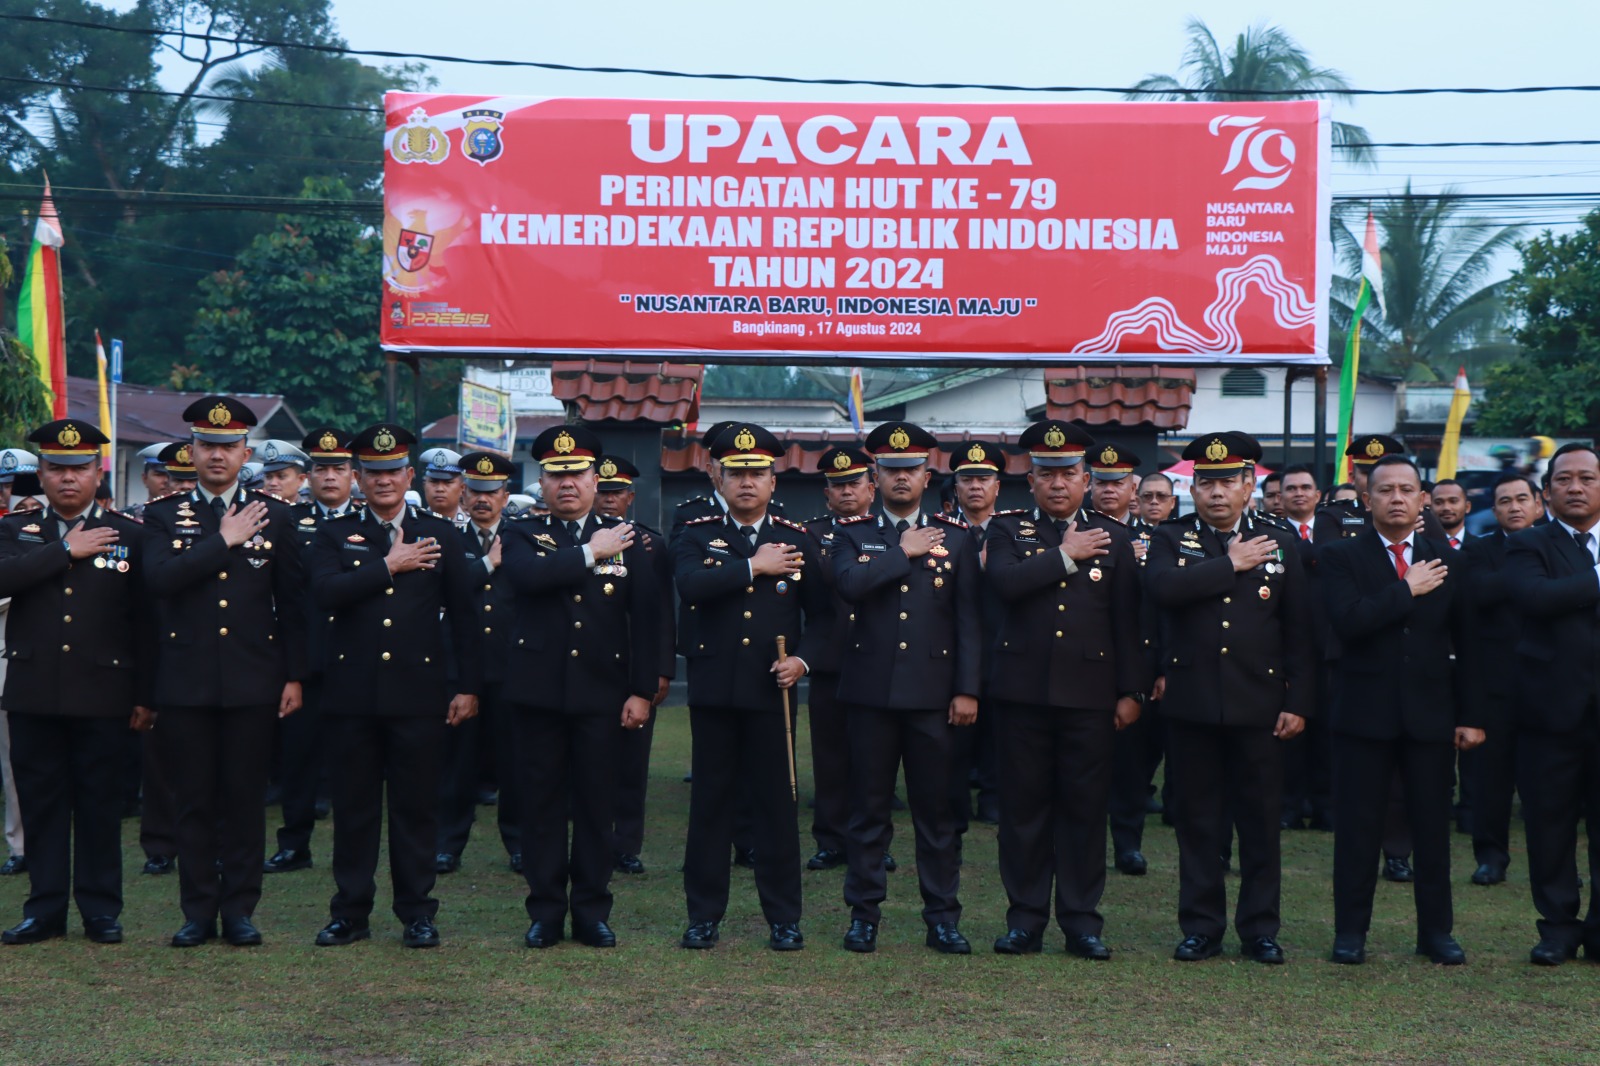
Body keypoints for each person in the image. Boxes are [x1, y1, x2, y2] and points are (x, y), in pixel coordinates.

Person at [141, 396, 307, 948]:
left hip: (253, 680)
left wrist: (294, 675)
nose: (217, 455)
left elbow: (296, 606)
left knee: (242, 799)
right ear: (191, 450)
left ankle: (239, 909)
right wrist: (223, 541)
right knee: (192, 800)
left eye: (228, 446)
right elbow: (160, 581)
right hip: (185, 680)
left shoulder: (276, 515)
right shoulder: (163, 514)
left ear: (245, 452)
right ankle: (197, 910)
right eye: (207, 445)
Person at [1144, 431, 1313, 964]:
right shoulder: (1172, 538)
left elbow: (1302, 630)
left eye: (1227, 483)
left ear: (1248, 486)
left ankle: (1260, 929)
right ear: (1192, 489)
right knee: (1198, 821)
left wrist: (1300, 700)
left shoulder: (1281, 538)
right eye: (1206, 482)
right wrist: (1230, 564)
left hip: (1260, 702)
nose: (1216, 493)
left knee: (1260, 821)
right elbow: (1161, 591)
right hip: (1192, 700)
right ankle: (1201, 927)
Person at [308, 425, 479, 950]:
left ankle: (417, 913)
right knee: (354, 810)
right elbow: (324, 594)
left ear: (409, 476)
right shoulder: (333, 534)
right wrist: (388, 565)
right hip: (352, 695)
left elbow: (468, 619)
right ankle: (350, 913)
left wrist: (468, 686)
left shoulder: (442, 534)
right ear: (358, 478)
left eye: (393, 472)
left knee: (415, 810)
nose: (383, 481)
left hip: (418, 694)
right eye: (373, 473)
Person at [985, 420, 1144, 959]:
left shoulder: (1116, 536)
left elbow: (1129, 623)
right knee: (1023, 812)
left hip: (1091, 697)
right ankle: (1025, 919)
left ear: (1085, 479)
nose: (1058, 484)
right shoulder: (1008, 532)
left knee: (1083, 811)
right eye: (1047, 474)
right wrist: (1065, 554)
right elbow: (1004, 585)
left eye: (1069, 474)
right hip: (1021, 694)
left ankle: (1082, 922)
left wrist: (1132, 692)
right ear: (1030, 482)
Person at [499, 425, 657, 950]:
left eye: (577, 474)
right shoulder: (522, 532)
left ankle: (591, 910)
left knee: (595, 806)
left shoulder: (628, 538)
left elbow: (646, 620)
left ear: (595, 479)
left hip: (602, 694)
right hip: (538, 693)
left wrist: (641, 690)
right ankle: (545, 911)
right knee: (541, 807)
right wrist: (591, 552)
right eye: (556, 476)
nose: (567, 484)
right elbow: (526, 578)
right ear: (541, 483)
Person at [1321, 454, 1482, 966]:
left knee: (1432, 828)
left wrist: (1472, 714)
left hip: (1430, 715)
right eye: (1384, 489)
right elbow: (1348, 622)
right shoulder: (1340, 557)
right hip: (1363, 714)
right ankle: (1351, 933)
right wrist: (1406, 589)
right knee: (1357, 829)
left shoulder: (1450, 560)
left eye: (1405, 490)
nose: (1395, 498)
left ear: (1422, 500)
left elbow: (1471, 643)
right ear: (1366, 500)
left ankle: (1436, 933)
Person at [673, 423, 827, 952]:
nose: (746, 482)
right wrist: (752, 565)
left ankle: (784, 918)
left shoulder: (798, 537)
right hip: (714, 689)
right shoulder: (693, 530)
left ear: (773, 479)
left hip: (772, 695)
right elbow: (690, 586)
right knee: (711, 807)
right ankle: (703, 916)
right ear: (719, 475)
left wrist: (804, 660)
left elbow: (828, 617)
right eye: (736, 472)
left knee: (776, 809)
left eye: (756, 473)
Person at [830, 421, 981, 955]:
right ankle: (864, 916)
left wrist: (967, 690)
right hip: (870, 696)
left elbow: (969, 622)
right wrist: (904, 551)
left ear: (926, 474)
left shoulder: (958, 537)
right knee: (868, 813)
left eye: (911, 469)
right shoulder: (851, 533)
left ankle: (942, 917)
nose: (901, 478)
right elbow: (849, 585)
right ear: (876, 474)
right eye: (891, 470)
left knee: (937, 816)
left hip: (934, 698)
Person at [0, 420, 149, 946]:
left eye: (79, 468)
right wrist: (65, 550)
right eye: (57, 468)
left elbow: (144, 622)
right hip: (34, 690)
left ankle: (101, 910)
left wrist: (145, 695)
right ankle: (44, 910)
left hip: (104, 693)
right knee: (41, 806)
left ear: (97, 473)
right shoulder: (15, 530)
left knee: (99, 807)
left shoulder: (130, 534)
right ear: (39, 473)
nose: (67, 478)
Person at [1505, 444, 1600, 966]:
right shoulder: (1529, 545)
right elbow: (1536, 599)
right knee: (1550, 826)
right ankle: (1558, 927)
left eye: (1587, 477)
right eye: (1564, 479)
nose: (1575, 487)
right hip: (1548, 713)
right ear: (1547, 491)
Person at [265, 428, 357, 875]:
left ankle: (353, 848)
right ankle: (294, 843)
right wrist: (290, 668)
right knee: (298, 758)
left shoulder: (367, 522)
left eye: (339, 468)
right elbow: (283, 599)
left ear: (353, 475)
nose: (330, 477)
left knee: (354, 761)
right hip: (304, 657)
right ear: (307, 476)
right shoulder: (288, 522)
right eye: (322, 468)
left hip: (357, 659)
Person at [435, 450, 523, 875]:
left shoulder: (525, 537)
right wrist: (488, 564)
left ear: (506, 495)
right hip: (460, 669)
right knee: (456, 765)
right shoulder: (445, 538)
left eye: (492, 492)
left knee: (515, 762)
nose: (483, 500)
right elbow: (442, 588)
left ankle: (520, 844)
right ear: (463, 495)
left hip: (512, 668)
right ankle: (447, 844)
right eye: (475, 492)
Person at [593, 455, 674, 876]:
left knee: (632, 761)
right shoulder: (575, 542)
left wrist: (660, 670)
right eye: (601, 492)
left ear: (629, 496)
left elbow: (661, 613)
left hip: (635, 666)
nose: (608, 500)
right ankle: (591, 838)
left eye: (615, 493)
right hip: (589, 666)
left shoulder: (651, 544)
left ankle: (626, 844)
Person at [1461, 473, 1539, 888]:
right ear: (1495, 510)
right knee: (1491, 780)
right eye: (1504, 501)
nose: (1513, 507)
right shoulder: (1478, 551)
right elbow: (1479, 593)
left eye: (1521, 499)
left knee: (1546, 783)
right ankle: (1491, 856)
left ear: (1538, 504)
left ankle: (1552, 859)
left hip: (1549, 681)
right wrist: (1528, 572)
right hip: (1496, 683)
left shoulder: (1560, 545)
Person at [801, 447, 876, 872]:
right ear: (827, 493)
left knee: (873, 758)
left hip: (878, 658)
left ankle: (871, 840)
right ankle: (830, 838)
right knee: (829, 756)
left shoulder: (888, 532)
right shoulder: (811, 535)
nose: (846, 491)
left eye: (854, 483)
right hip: (829, 658)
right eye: (837, 485)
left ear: (871, 486)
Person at [948, 440, 1008, 831]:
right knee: (954, 736)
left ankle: (993, 798)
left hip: (1003, 645)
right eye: (967, 479)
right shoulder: (940, 534)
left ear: (997, 487)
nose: (975, 487)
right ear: (955, 487)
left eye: (983, 479)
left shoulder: (1014, 532)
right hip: (952, 648)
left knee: (1000, 733)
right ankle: (954, 806)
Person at [0, 447, 38, 878]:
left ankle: (22, 844)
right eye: (8, 486)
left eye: (24, 485)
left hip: (19, 661)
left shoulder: (46, 533)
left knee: (18, 761)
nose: (17, 495)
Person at [419, 448, 468, 529]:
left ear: (462, 488)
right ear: (424, 485)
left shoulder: (471, 528)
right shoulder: (411, 525)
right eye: (434, 481)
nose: (440, 489)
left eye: (448, 482)